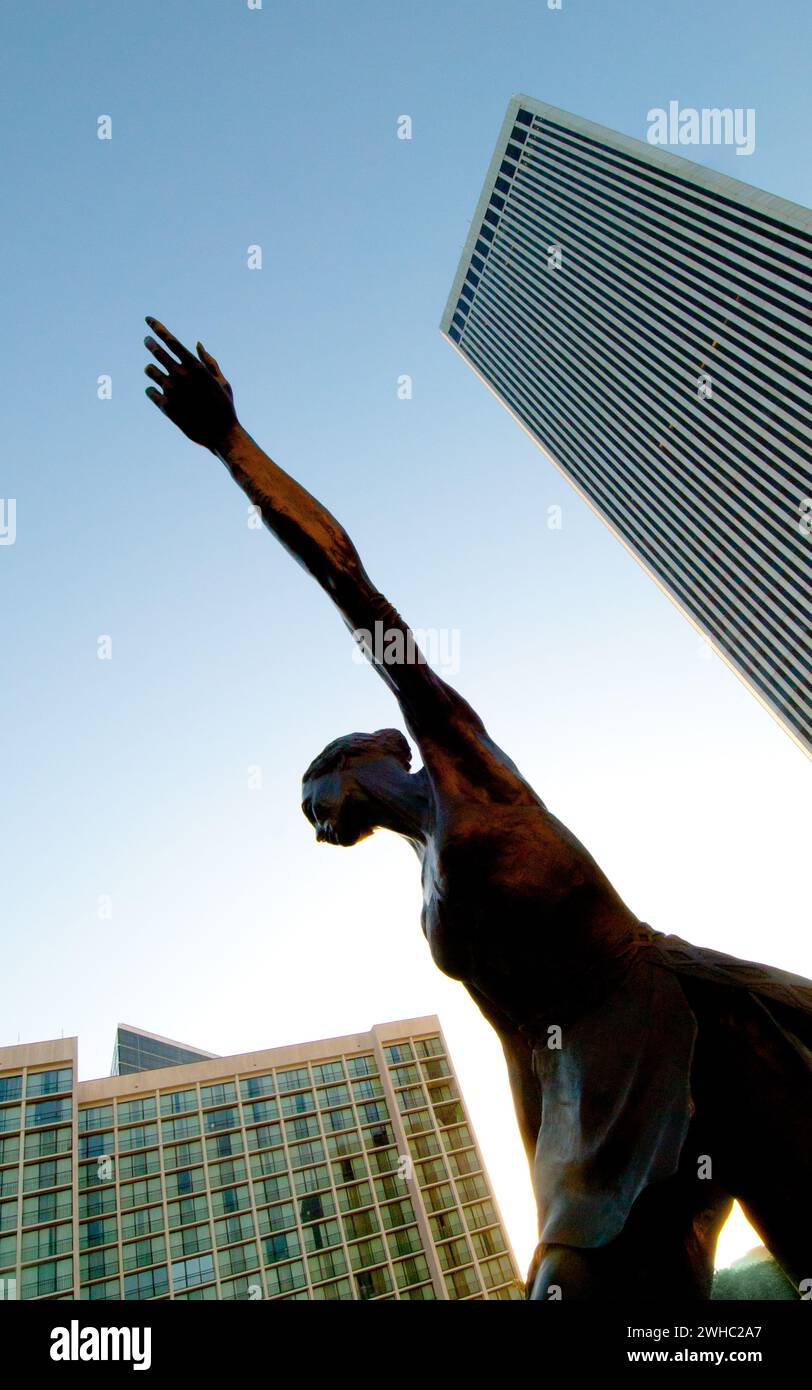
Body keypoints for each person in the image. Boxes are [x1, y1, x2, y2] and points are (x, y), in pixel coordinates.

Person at [144, 318, 812, 1299]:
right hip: (591, 1093)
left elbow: (346, 577)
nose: (311, 817)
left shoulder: (460, 763)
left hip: (678, 1018)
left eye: (309, 792)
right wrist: (551, 1195)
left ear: (365, 753)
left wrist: (233, 448)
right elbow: (518, 1049)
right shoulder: (427, 900)